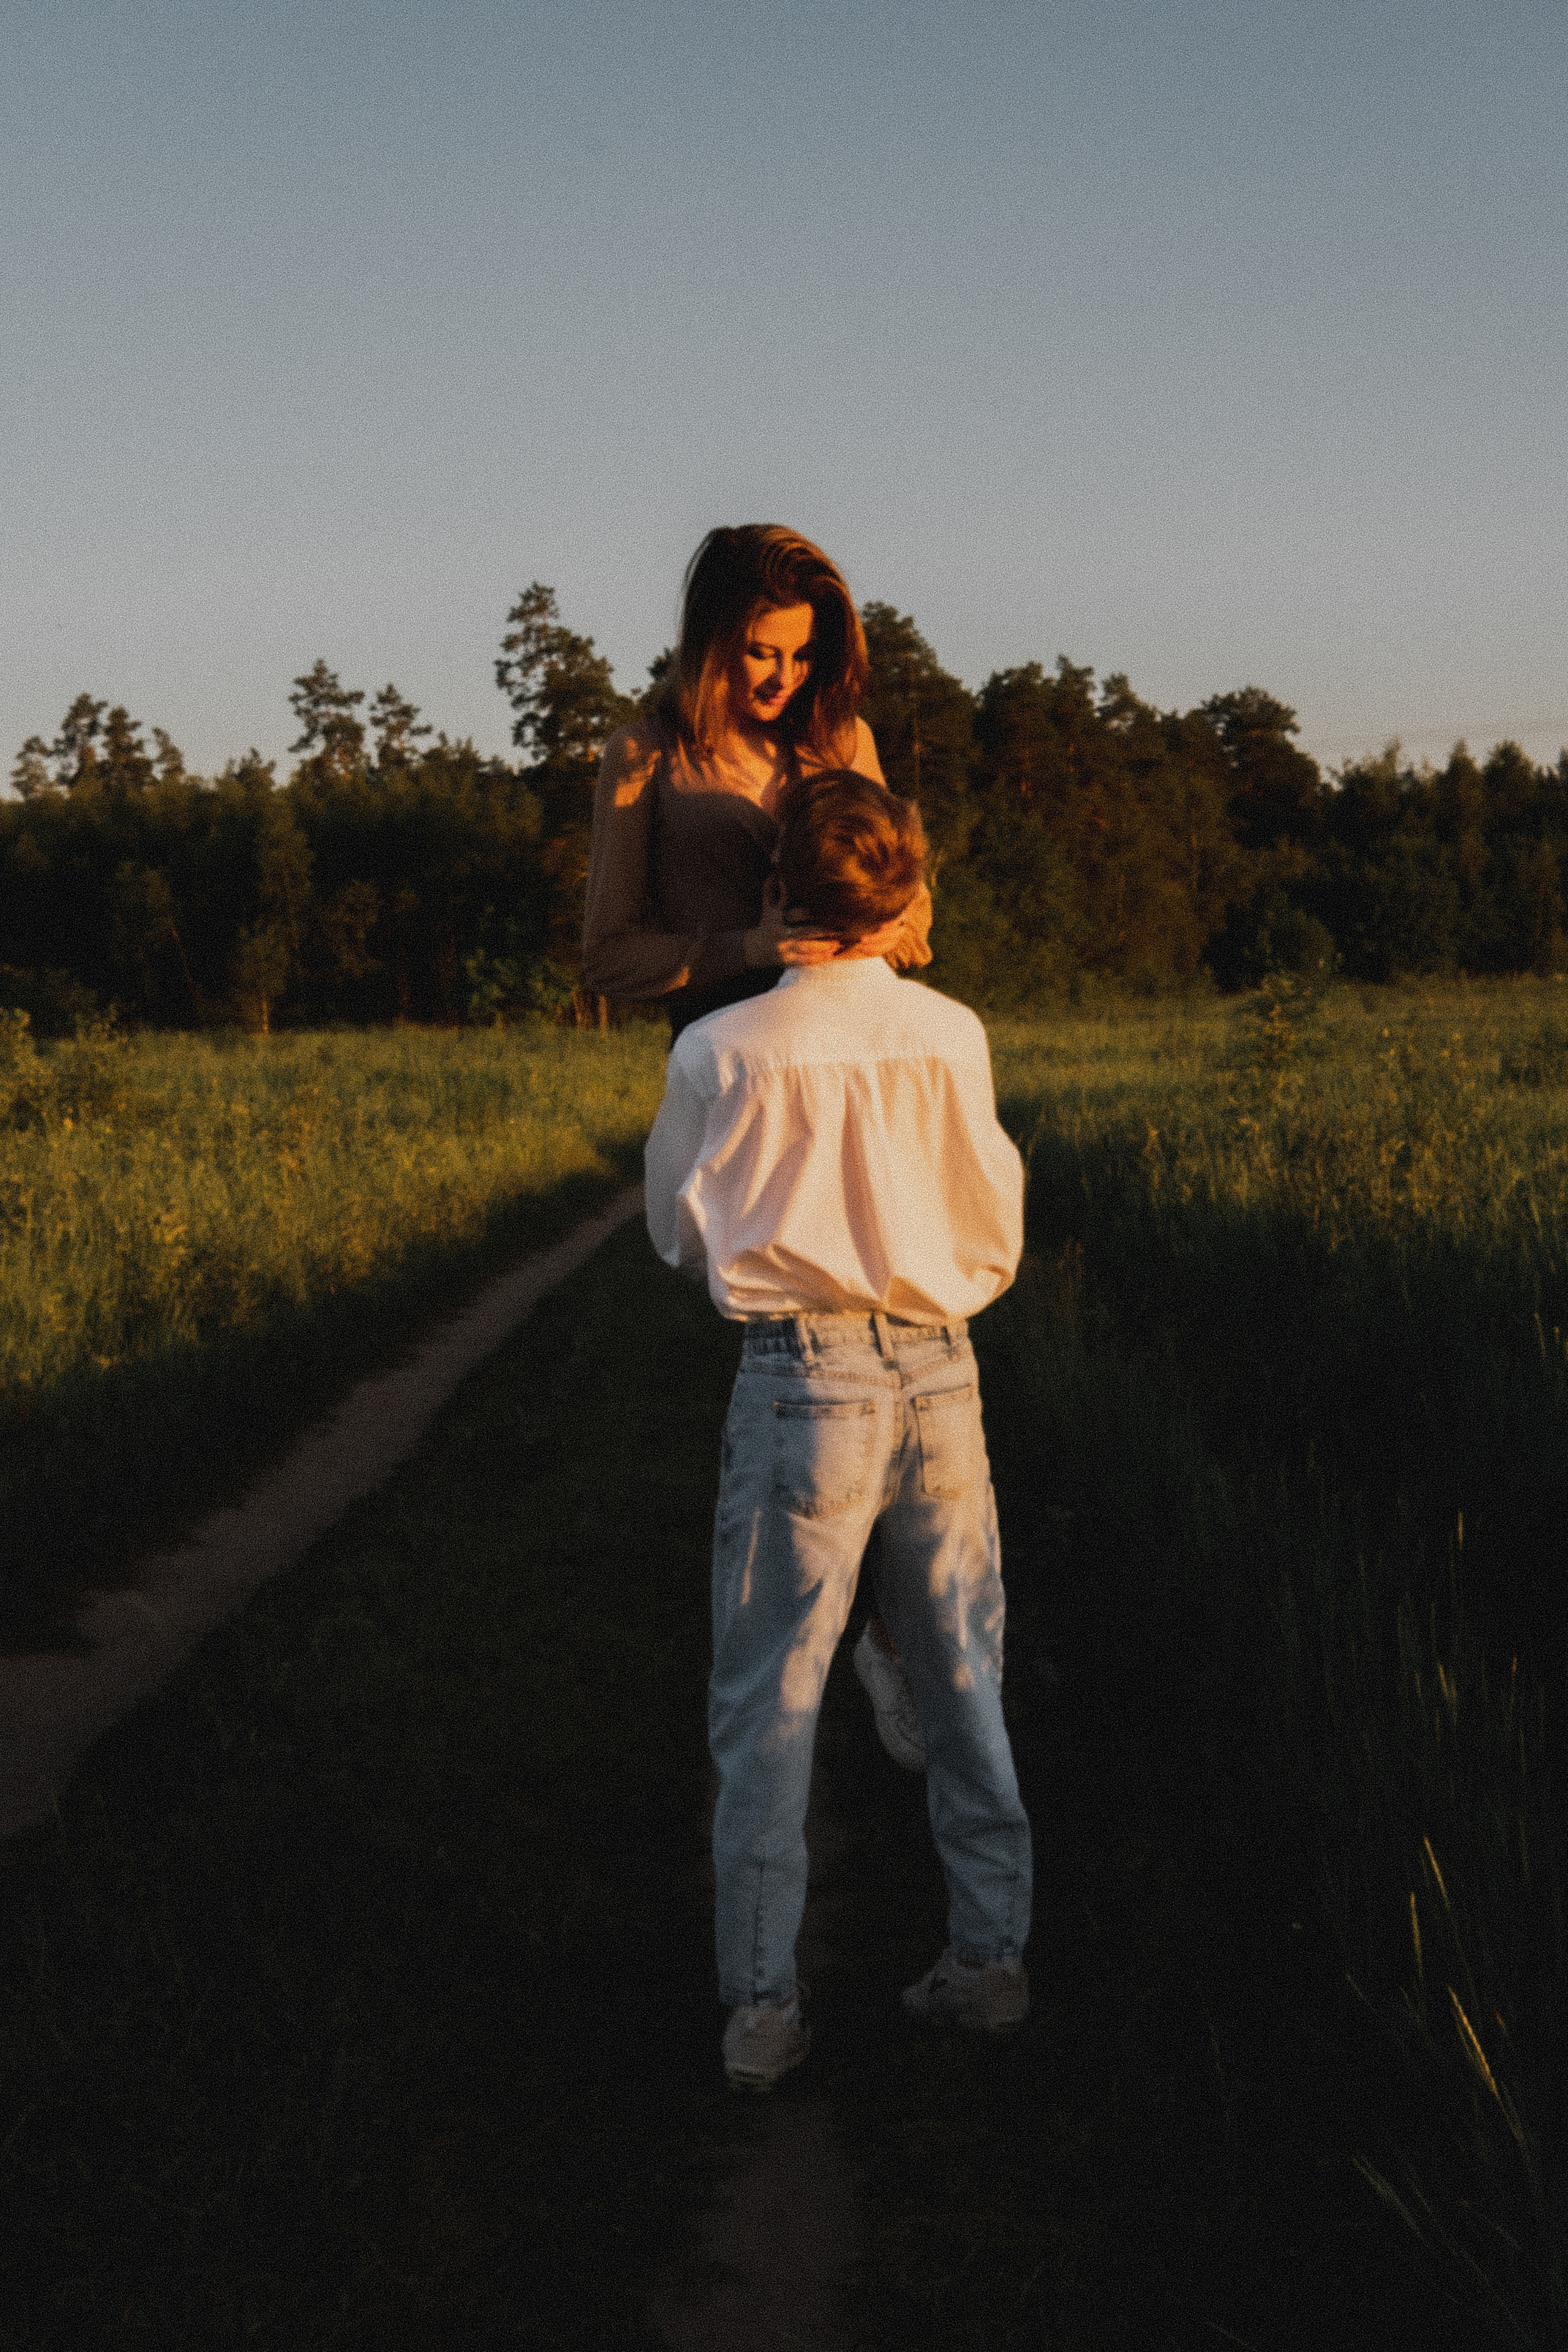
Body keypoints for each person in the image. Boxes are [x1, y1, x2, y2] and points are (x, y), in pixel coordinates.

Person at [644, 769, 1033, 2090]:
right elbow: (991, 1227)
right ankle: (987, 1964)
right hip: (939, 1377)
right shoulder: (951, 1033)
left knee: (769, 1704)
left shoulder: (719, 1050)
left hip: (799, 1378)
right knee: (964, 1681)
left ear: (775, 896)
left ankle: (762, 2011)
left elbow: (675, 1230)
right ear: (904, 895)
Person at [583, 523, 931, 1768]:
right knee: (801, 1368)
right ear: (708, 637)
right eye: (756, 650)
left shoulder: (840, 744)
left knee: (898, 1347)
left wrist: (869, 924)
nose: (779, 677)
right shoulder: (641, 756)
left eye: (799, 653)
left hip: (857, 1075)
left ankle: (880, 1631)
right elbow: (607, 956)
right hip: (740, 1092)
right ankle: (828, 1638)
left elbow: (915, 907)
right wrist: (745, 948)